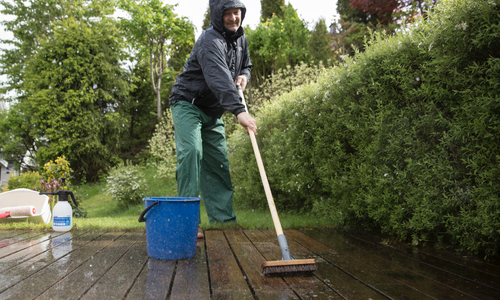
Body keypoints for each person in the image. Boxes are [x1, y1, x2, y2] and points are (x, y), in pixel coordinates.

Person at [169, 0, 257, 225]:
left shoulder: (241, 39)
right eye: (227, 13)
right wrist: (239, 111)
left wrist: (244, 75)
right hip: (188, 103)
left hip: (212, 111)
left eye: (236, 13)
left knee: (218, 162)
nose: (233, 18)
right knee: (192, 153)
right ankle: (187, 224)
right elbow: (218, 78)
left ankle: (224, 223)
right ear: (218, 15)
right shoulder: (210, 40)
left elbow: (245, 64)